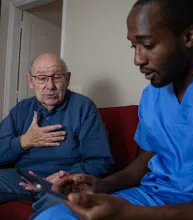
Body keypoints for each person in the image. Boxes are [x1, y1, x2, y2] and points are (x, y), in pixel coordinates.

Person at [34, 0, 193, 219]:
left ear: (188, 37)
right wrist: (101, 185)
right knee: (52, 216)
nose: (137, 59)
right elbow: (143, 162)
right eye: (134, 46)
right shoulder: (152, 95)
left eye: (148, 45)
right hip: (151, 197)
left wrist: (133, 214)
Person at [0, 53, 113, 219]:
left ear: (67, 79)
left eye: (57, 77)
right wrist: (25, 141)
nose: (50, 85)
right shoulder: (21, 109)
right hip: (21, 179)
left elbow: (101, 161)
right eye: (42, 78)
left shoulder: (83, 107)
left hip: (62, 182)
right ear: (30, 81)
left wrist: (66, 177)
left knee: (61, 205)